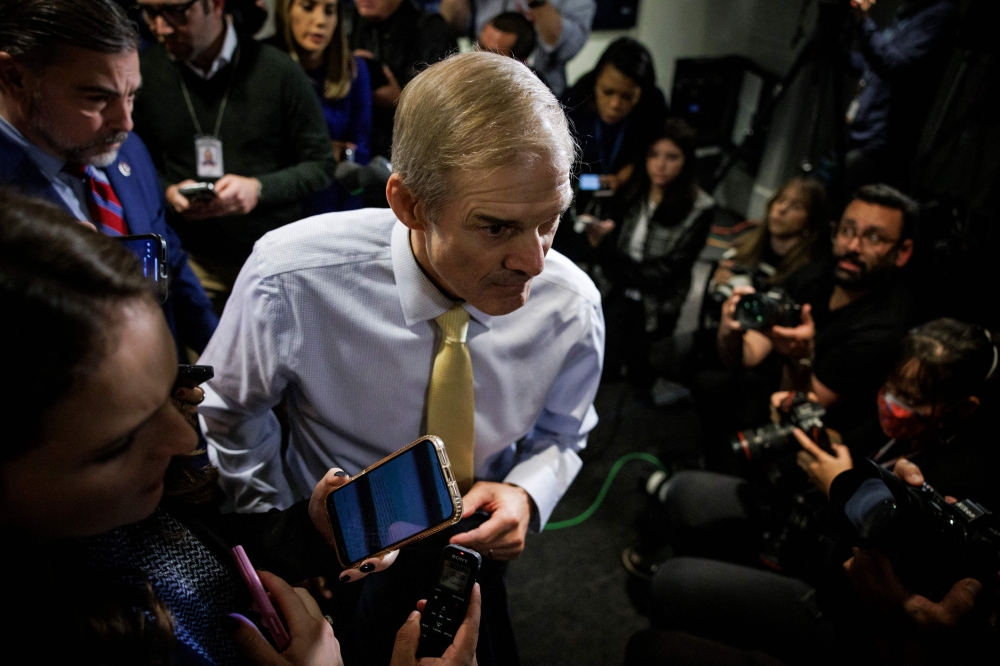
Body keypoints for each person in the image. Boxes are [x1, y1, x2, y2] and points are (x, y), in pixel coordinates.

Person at [199, 51, 604, 665]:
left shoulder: (571, 307)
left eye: (550, 221)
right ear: (410, 204)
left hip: (470, 557)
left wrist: (526, 494)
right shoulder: (292, 278)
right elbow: (230, 411)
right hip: (337, 563)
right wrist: (283, 539)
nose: (536, 262)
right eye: (497, 228)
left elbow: (564, 435)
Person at [0, 189, 480, 666]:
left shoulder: (96, 513)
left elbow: (193, 545)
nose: (186, 439)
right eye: (121, 443)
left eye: (171, 388)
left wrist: (308, 535)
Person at [644, 318, 999, 665]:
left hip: (844, 607)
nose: (892, 400)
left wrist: (839, 486)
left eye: (909, 397)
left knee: (672, 585)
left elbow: (888, 582)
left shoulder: (966, 479)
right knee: (686, 490)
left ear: (963, 408)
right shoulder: (903, 426)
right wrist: (802, 413)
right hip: (807, 536)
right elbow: (846, 443)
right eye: (891, 385)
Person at [0, 0, 218, 355]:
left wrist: (221, 363)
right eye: (99, 98)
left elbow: (170, 262)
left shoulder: (128, 149)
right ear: (14, 77)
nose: (126, 122)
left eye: (131, 95)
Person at [133, 0, 336, 308]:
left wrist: (258, 188)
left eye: (176, 11)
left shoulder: (277, 70)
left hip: (270, 259)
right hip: (190, 262)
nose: (161, 27)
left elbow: (320, 165)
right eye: (150, 13)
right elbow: (134, 161)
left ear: (215, 5)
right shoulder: (145, 72)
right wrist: (167, 191)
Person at [713, 183, 918, 441]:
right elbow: (748, 355)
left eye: (873, 238)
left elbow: (800, 409)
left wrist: (798, 359)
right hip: (764, 390)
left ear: (902, 252)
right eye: (847, 230)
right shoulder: (817, 274)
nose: (853, 245)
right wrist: (728, 331)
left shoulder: (884, 329)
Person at [584, 118, 715, 385]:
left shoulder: (700, 207)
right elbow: (605, 242)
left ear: (686, 161)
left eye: (672, 157)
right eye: (654, 155)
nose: (660, 165)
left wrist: (610, 259)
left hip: (657, 302)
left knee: (641, 371)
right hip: (614, 290)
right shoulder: (632, 190)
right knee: (600, 363)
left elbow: (668, 271)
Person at [554, 37, 668, 260]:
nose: (615, 105)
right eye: (608, 92)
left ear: (642, 93)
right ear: (596, 81)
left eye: (627, 96)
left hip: (628, 190)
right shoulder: (575, 98)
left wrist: (631, 170)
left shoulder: (653, 105)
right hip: (577, 187)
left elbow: (652, 146)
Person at [845, 0, 959, 191]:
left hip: (881, 143)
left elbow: (896, 65)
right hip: (861, 132)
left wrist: (864, 21)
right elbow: (873, 67)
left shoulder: (939, 14)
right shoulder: (907, 13)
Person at [272, 0, 373, 213]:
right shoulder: (266, 66)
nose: (320, 21)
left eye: (329, 11)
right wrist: (327, 150)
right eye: (308, 7)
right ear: (286, 10)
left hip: (336, 206)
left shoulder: (353, 69)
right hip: (279, 205)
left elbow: (358, 153)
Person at [347, 0, 456, 159]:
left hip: (410, 152)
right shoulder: (344, 21)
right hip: (356, 145)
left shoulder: (431, 30)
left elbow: (445, 113)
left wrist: (399, 99)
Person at [440, 0, 596, 97]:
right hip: (478, 89)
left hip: (542, 95)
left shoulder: (579, 3)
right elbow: (449, 27)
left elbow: (564, 48)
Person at [710, 177, 829, 298]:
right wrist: (718, 278)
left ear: (811, 221)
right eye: (780, 200)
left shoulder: (807, 275)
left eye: (796, 207)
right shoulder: (744, 246)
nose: (782, 209)